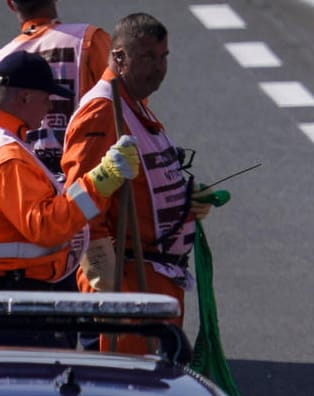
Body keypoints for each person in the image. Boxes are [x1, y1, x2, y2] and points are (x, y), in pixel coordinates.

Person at [61, 13, 210, 351]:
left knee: (154, 391)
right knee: (128, 392)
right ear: (119, 57)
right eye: (146, 57)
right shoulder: (102, 111)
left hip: (156, 279)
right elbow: (78, 199)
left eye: (163, 57)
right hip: (126, 283)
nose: (158, 68)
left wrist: (187, 200)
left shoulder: (136, 107)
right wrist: (102, 269)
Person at [0, 49, 137, 328]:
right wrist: (100, 180)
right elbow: (46, 226)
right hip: (18, 301)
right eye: (46, 99)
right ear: (25, 97)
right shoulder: (9, 156)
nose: (49, 109)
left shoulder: (11, 146)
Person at [0, 1, 109, 177]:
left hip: (29, 183)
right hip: (94, 179)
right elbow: (126, 105)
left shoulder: (3, 60)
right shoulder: (89, 38)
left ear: (11, 4)